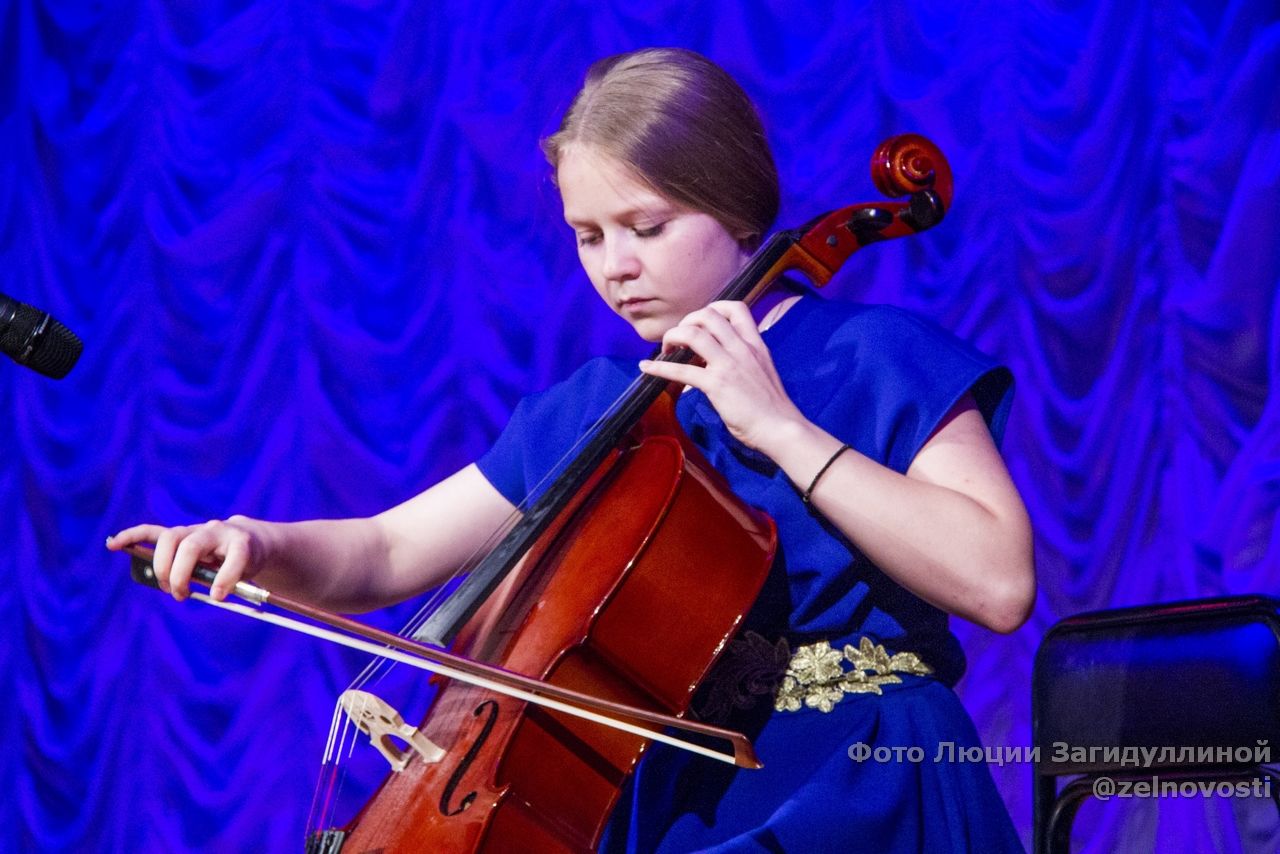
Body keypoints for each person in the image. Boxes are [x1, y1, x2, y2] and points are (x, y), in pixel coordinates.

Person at [108, 47, 1033, 852]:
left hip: (867, 781)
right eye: (587, 236)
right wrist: (258, 545)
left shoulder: (871, 355)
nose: (614, 265)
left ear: (739, 211)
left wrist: (782, 430)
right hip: (681, 800)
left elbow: (997, 582)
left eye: (648, 227)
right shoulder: (599, 409)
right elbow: (387, 551)